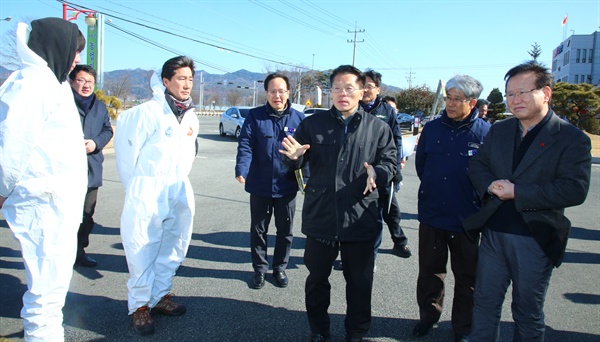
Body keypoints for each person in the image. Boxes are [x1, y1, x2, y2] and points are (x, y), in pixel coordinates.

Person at [465, 61, 591, 341]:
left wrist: (517, 192)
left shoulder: (572, 139)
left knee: (527, 312)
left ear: (546, 93)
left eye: (523, 92)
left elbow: (574, 189)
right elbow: (478, 165)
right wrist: (490, 186)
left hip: (534, 235)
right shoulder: (500, 129)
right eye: (510, 94)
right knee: (484, 305)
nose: (515, 100)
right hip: (494, 232)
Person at [279, 65, 397, 342]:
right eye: (337, 88)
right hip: (321, 216)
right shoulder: (313, 123)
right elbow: (294, 158)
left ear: (361, 91)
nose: (343, 94)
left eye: (349, 88)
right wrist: (294, 157)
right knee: (317, 280)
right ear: (330, 91)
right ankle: (318, 329)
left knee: (359, 283)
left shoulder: (377, 128)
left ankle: (356, 332)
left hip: (361, 215)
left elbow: (391, 162)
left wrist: (377, 173)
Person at [0, 17, 87, 341]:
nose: (76, 59)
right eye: (74, 51)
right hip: (43, 203)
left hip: (55, 203)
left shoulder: (51, 82)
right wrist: (2, 189)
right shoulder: (31, 84)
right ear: (56, 46)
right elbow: (12, 147)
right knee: (45, 296)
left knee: (51, 289)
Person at [114, 56, 199, 335]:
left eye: (189, 79)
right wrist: (136, 192)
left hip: (177, 186)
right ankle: (139, 306)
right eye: (180, 79)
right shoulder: (146, 112)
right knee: (142, 247)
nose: (186, 84)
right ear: (165, 82)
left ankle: (160, 295)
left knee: (174, 244)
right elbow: (127, 158)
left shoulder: (190, 115)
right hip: (147, 188)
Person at [413, 75, 490, 342]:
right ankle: (428, 317)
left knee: (467, 278)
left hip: (467, 219)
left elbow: (492, 174)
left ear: (472, 103)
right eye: (449, 98)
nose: (451, 103)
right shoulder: (433, 129)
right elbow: (421, 165)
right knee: (430, 273)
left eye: (457, 99)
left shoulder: (485, 133)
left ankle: (463, 328)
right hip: (432, 214)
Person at [235, 73, 305, 289]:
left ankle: (280, 268)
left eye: (281, 91)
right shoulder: (255, 116)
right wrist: (242, 169)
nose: (277, 95)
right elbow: (245, 144)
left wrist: (307, 180)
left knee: (285, 230)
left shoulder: (298, 119)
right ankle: (259, 270)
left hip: (287, 186)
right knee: (258, 230)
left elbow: (306, 152)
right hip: (260, 184)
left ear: (288, 92)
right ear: (266, 93)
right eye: (272, 91)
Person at [361, 70, 411, 259]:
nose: (365, 90)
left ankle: (376, 254)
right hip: (358, 171)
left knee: (383, 213)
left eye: (369, 86)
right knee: (357, 215)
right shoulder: (353, 107)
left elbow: (396, 141)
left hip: (382, 171)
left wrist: (395, 168)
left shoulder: (386, 111)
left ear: (378, 89)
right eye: (362, 85)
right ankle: (352, 255)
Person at [69, 64, 114, 268]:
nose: (86, 85)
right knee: (66, 213)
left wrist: (96, 142)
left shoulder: (99, 106)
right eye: (81, 80)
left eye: (90, 82)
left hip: (91, 167)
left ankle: (79, 250)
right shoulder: (62, 102)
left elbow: (107, 129)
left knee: (87, 214)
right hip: (66, 168)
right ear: (71, 81)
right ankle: (62, 252)